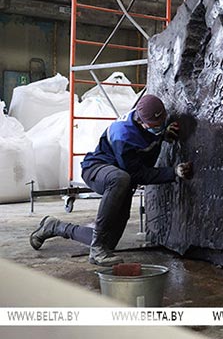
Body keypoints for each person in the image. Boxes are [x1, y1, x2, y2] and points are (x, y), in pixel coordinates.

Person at [29, 95, 192, 266]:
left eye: (162, 122)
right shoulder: (123, 134)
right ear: (141, 121)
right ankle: (97, 249)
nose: (159, 127)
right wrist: (173, 172)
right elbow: (137, 173)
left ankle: (55, 226)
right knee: (120, 178)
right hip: (97, 169)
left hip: (123, 180)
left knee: (109, 242)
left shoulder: (147, 119)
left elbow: (146, 147)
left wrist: (162, 135)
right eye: (155, 126)